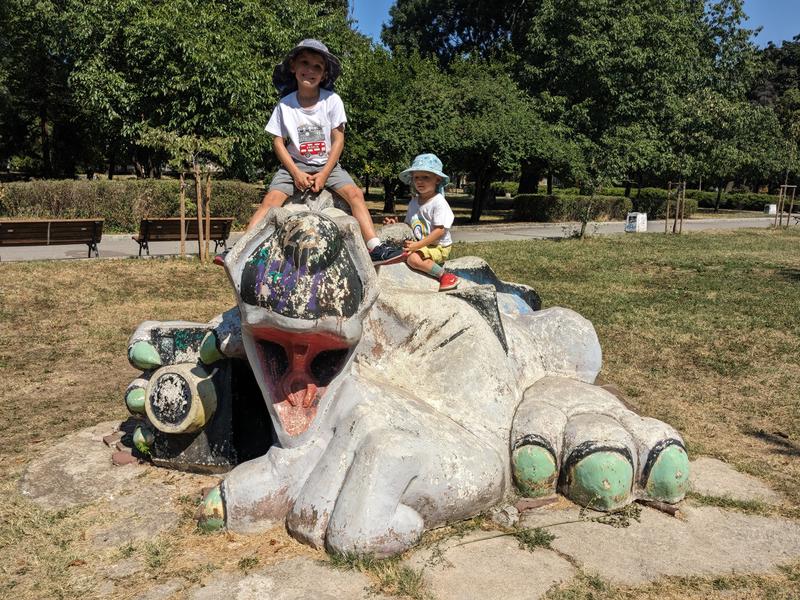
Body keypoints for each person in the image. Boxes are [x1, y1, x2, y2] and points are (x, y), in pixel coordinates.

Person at [247, 39, 403, 265]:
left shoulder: (332, 101)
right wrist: (295, 173)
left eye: (317, 67)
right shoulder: (285, 105)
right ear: (293, 67)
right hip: (294, 164)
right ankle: (243, 247)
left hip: (327, 164)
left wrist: (324, 173)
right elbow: (278, 142)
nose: (310, 70)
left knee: (356, 195)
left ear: (324, 74)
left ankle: (374, 246)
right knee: (270, 200)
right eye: (304, 63)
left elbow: (338, 139)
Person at [384, 154, 460, 291]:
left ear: (437, 179)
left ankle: (444, 275)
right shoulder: (414, 201)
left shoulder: (439, 202)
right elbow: (410, 224)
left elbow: (440, 231)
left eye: (425, 177)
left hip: (438, 246)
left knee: (413, 259)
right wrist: (396, 226)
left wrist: (418, 245)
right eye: (416, 177)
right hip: (421, 244)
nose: (420, 181)